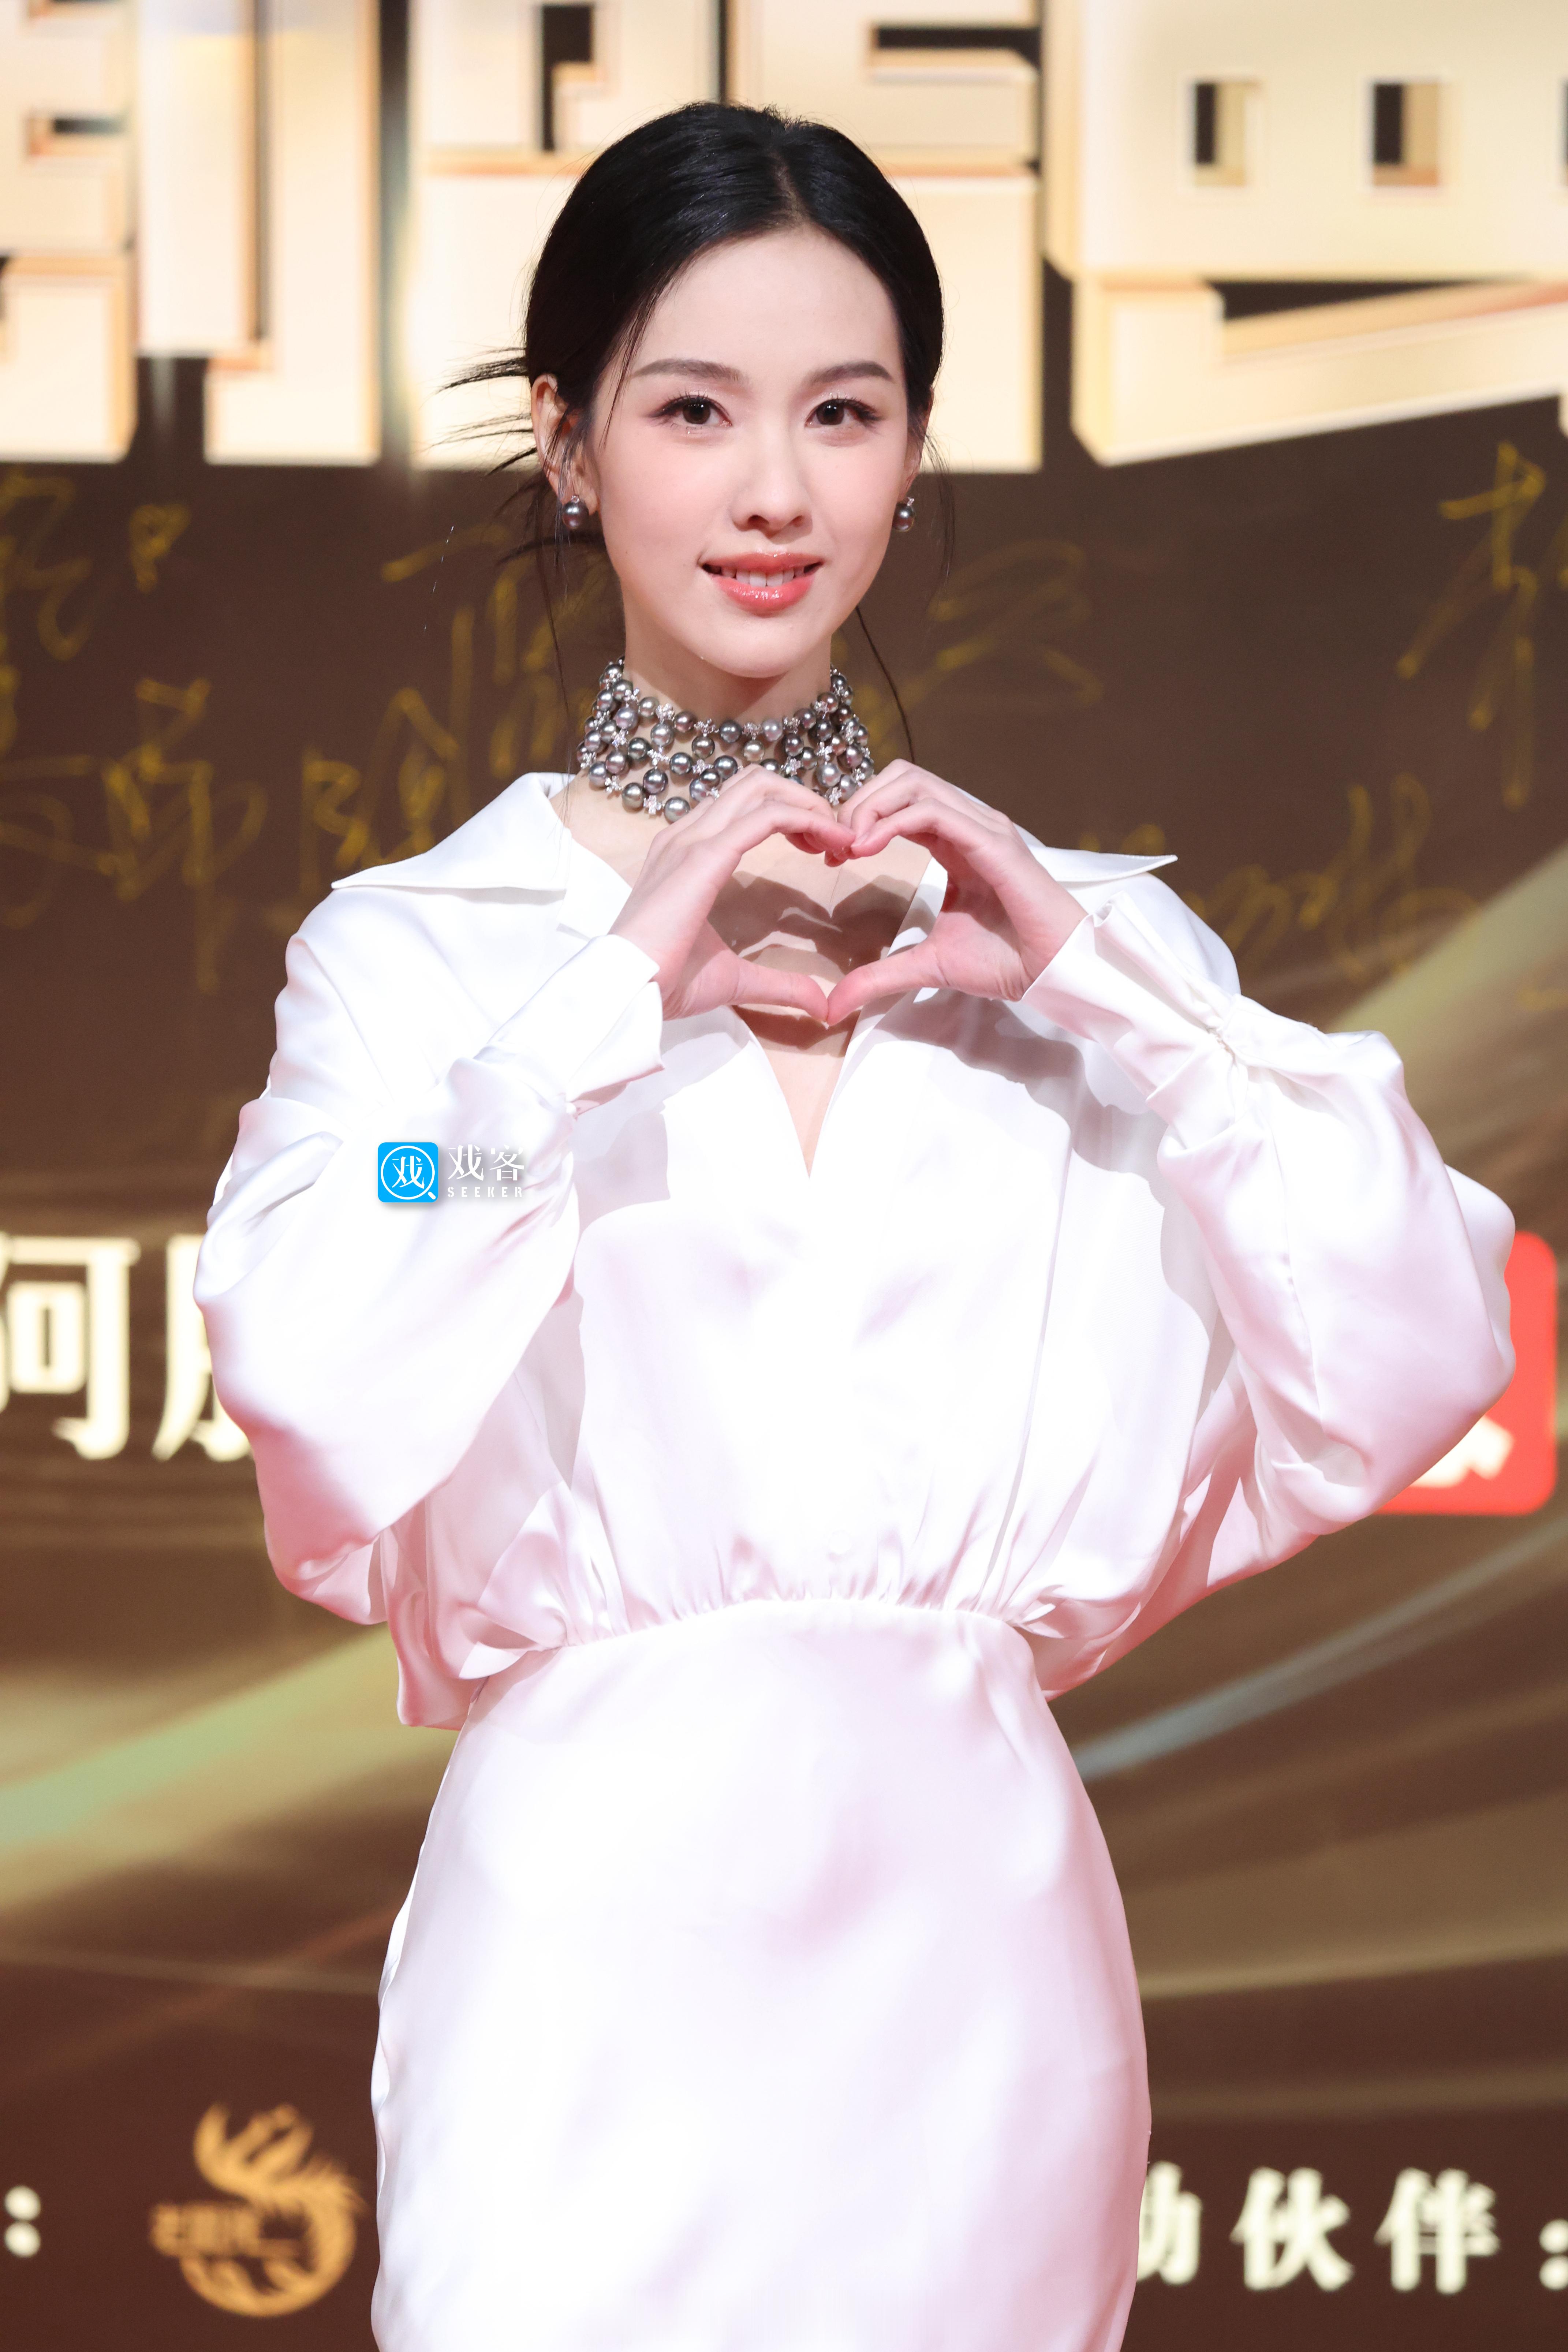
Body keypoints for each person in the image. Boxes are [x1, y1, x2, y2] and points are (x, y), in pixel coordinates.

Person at [195, 101, 1513, 2352]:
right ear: (569, 444)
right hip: (580, 1976)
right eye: (694, 410)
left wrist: (1099, 990)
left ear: (915, 456)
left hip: (976, 1998)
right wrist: (607, 1009)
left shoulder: (1077, 946)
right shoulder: (435, 965)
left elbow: (1415, 1333)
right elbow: (317, 1322)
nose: (775, 491)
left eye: (844, 412)